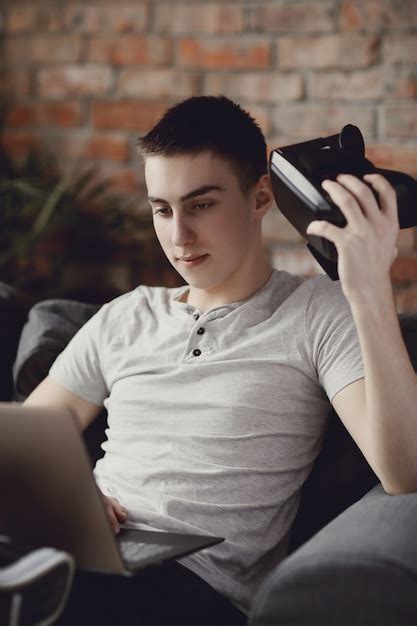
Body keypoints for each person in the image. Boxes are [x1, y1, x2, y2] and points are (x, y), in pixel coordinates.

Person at [24, 96, 417, 625]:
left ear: (260, 197)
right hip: (87, 559)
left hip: (195, 590)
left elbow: (405, 472)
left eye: (201, 204)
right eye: (162, 209)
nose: (179, 235)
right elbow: (23, 447)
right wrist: (75, 499)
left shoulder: (317, 311)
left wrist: (368, 284)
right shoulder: (124, 316)